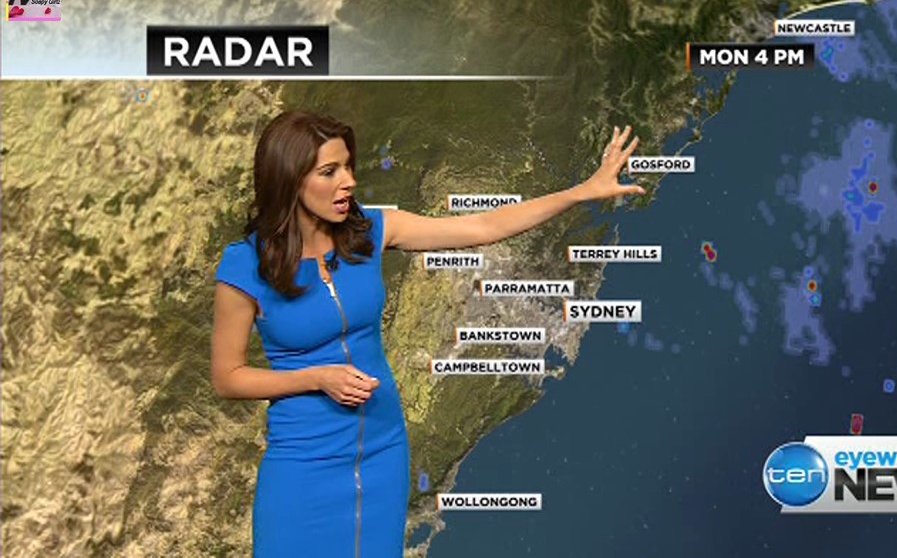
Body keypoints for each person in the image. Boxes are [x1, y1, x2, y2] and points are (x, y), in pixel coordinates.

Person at [210, 110, 642, 558]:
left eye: (348, 166)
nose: (349, 182)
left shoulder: (372, 231)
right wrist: (316, 378)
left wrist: (581, 192)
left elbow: (483, 226)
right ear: (290, 180)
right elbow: (228, 377)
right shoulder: (245, 266)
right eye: (329, 172)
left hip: (381, 451)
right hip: (303, 461)